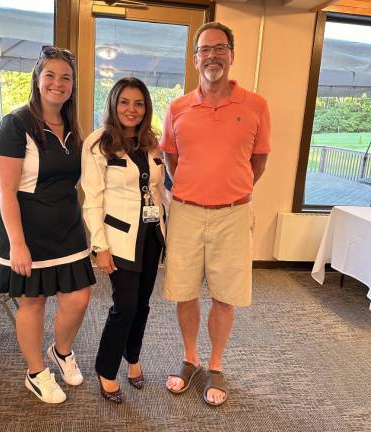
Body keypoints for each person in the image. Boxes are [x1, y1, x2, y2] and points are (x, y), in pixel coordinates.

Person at [161, 22, 271, 406]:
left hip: (234, 215)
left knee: (225, 295)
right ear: (195, 59)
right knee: (185, 290)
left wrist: (229, 190)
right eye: (204, 50)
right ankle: (190, 358)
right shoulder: (176, 108)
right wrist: (196, 189)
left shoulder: (256, 105)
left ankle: (217, 364)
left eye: (219, 48)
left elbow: (259, 160)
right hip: (187, 214)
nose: (212, 56)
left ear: (231, 54)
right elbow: (170, 158)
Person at [0, 46, 96, 404]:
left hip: (68, 231)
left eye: (66, 77)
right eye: (50, 75)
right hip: (26, 232)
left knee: (78, 298)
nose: (58, 84)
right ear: (37, 79)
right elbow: (6, 191)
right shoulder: (15, 125)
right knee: (33, 302)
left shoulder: (74, 128)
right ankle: (36, 372)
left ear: (73, 85)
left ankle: (61, 351)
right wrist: (17, 243)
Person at [82, 77, 166, 403]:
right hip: (119, 238)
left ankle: (132, 358)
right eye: (125, 102)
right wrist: (100, 248)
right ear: (114, 104)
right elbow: (92, 199)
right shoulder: (99, 142)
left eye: (139, 103)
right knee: (125, 306)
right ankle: (106, 368)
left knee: (142, 305)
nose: (132, 109)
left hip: (151, 236)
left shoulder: (151, 143)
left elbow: (158, 190)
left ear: (146, 108)